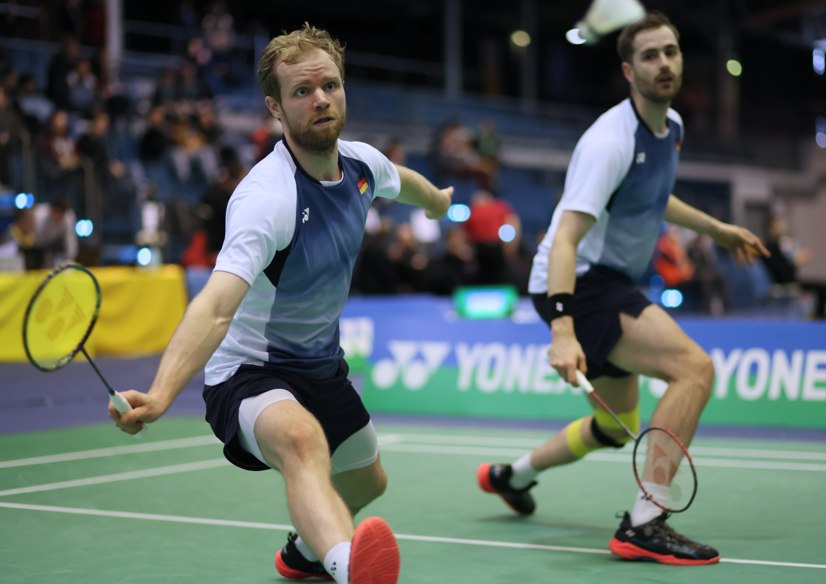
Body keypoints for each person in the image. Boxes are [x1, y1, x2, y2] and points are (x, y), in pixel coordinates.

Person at [110, 24, 452, 584]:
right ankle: (348, 568)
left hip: (319, 366)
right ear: (275, 106)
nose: (320, 99)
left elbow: (401, 181)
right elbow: (216, 305)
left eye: (330, 86)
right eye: (301, 91)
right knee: (302, 440)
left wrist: (437, 201)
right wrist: (163, 390)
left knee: (368, 480)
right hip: (249, 372)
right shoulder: (266, 198)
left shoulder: (362, 166)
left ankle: (304, 552)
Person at [477, 11, 768, 567]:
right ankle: (646, 519)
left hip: (609, 282)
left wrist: (717, 228)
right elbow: (564, 238)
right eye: (651, 56)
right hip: (579, 283)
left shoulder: (671, 127)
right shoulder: (609, 141)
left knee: (617, 426)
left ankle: (512, 475)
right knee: (694, 368)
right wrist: (562, 330)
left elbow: (654, 195)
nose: (664, 63)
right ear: (629, 71)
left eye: (671, 52)